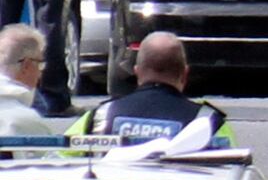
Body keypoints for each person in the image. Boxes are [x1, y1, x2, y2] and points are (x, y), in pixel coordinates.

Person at [65, 31, 236, 144]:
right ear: (184, 74)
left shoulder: (100, 117)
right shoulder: (208, 122)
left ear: (137, 73)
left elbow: (61, 159)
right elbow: (232, 172)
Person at [0, 24, 51, 139]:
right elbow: (48, 156)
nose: (40, 73)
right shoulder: (26, 122)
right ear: (27, 66)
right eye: (40, 64)